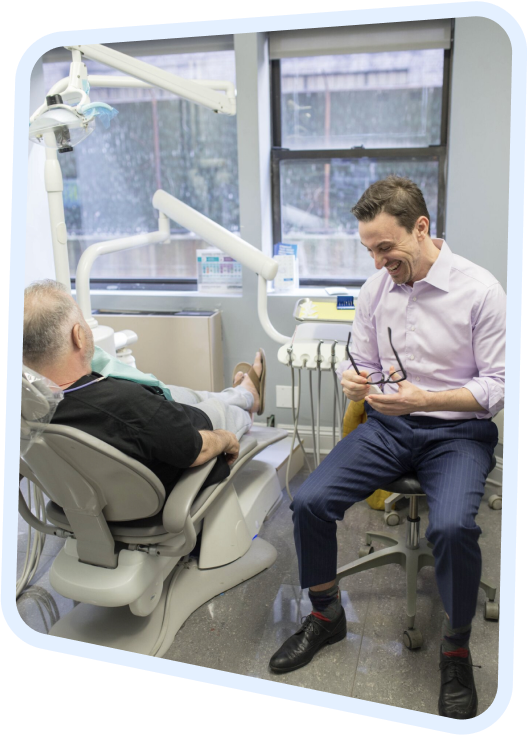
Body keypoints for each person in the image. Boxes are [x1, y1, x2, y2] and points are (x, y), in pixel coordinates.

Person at [268, 176, 505, 720]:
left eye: (385, 248)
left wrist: (432, 397)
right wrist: (357, 380)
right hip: (388, 427)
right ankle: (326, 616)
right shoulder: (376, 290)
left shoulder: (481, 291)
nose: (377, 263)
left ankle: (455, 648)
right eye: (368, 250)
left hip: (457, 433)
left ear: (421, 228)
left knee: (452, 528)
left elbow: (496, 386)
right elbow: (365, 361)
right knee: (310, 501)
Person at [22, 279, 266, 494]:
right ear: (78, 336)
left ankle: (240, 394)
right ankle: (247, 400)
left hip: (92, 490)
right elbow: (196, 450)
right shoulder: (126, 402)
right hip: (161, 483)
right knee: (220, 410)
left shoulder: (24, 410)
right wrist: (224, 438)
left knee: (182, 394)